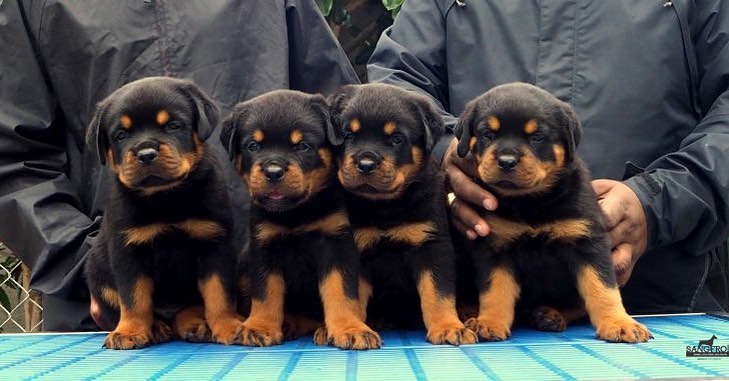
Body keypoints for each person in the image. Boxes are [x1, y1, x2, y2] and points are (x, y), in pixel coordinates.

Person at [0, 0, 358, 331]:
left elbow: (340, 123)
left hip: (278, 295)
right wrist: (87, 265)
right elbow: (12, 155)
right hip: (107, 305)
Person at [367, 0, 729, 314]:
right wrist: (448, 153)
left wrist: (658, 202)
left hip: (662, 301)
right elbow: (396, 84)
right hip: (473, 301)